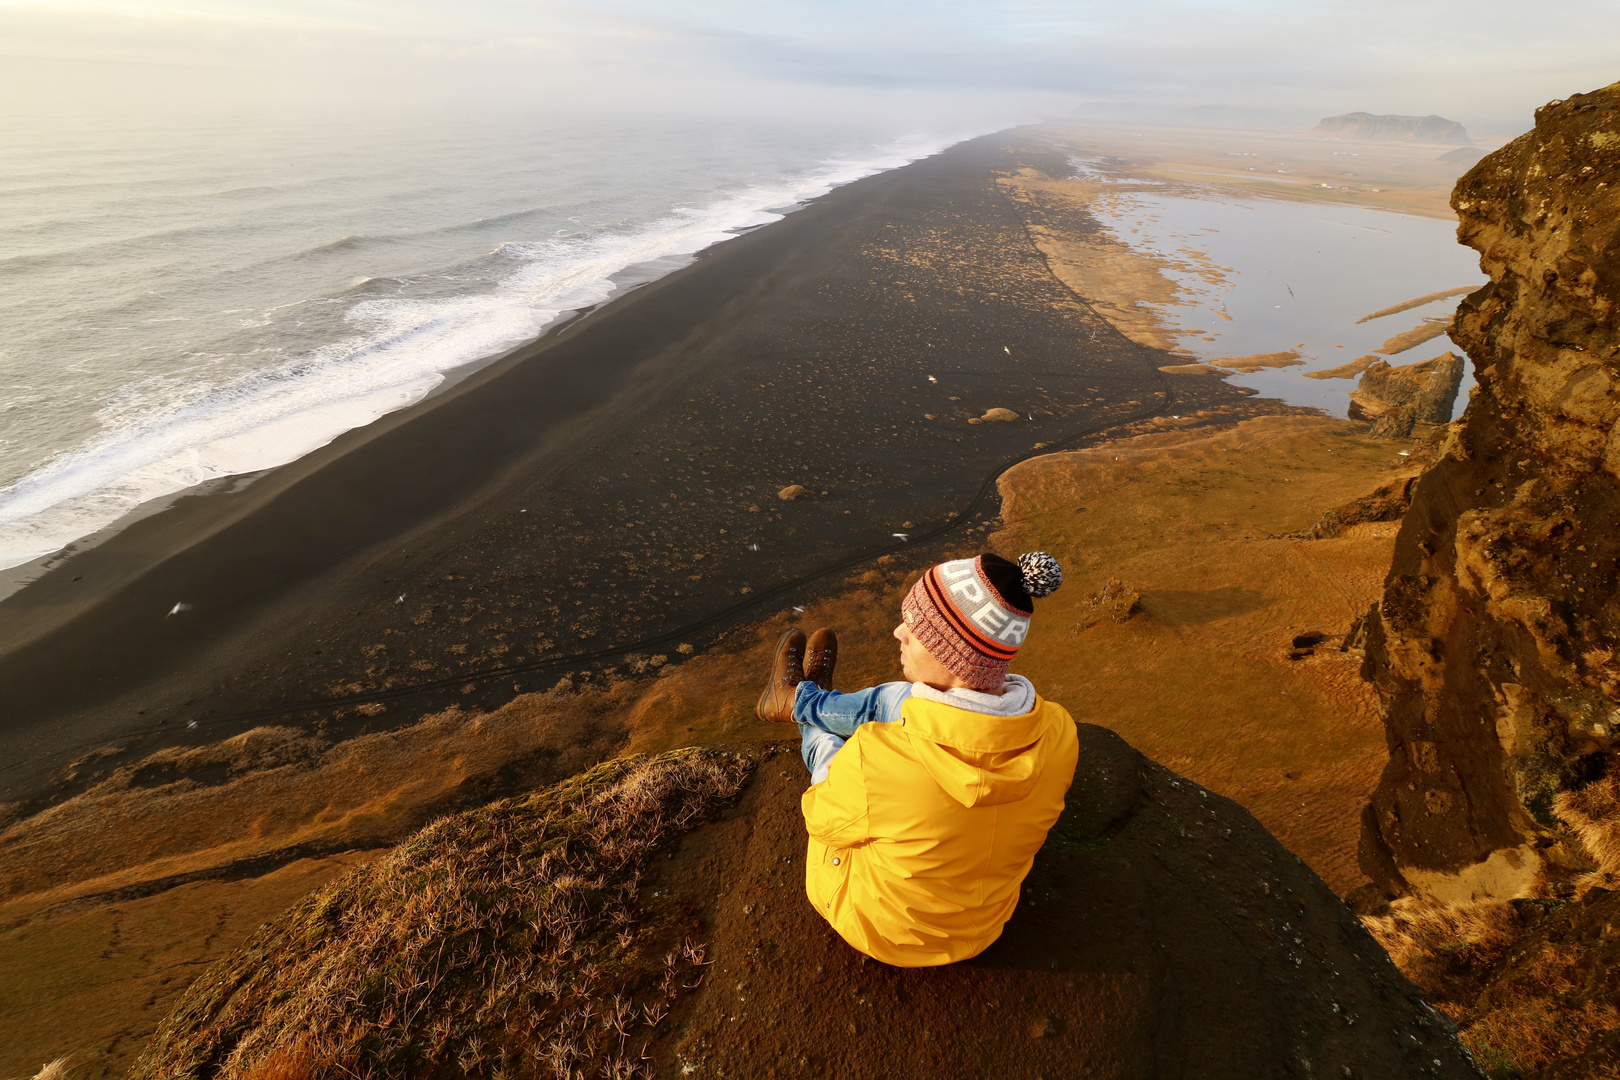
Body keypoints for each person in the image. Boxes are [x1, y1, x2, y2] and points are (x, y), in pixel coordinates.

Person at [756, 551, 1079, 967]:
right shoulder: (1060, 730)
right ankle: (814, 699)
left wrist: (846, 769)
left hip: (883, 928)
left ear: (952, 656)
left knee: (829, 757)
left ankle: (802, 706)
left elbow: (821, 819)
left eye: (915, 628)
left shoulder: (879, 760)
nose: (898, 632)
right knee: (901, 695)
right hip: (985, 920)